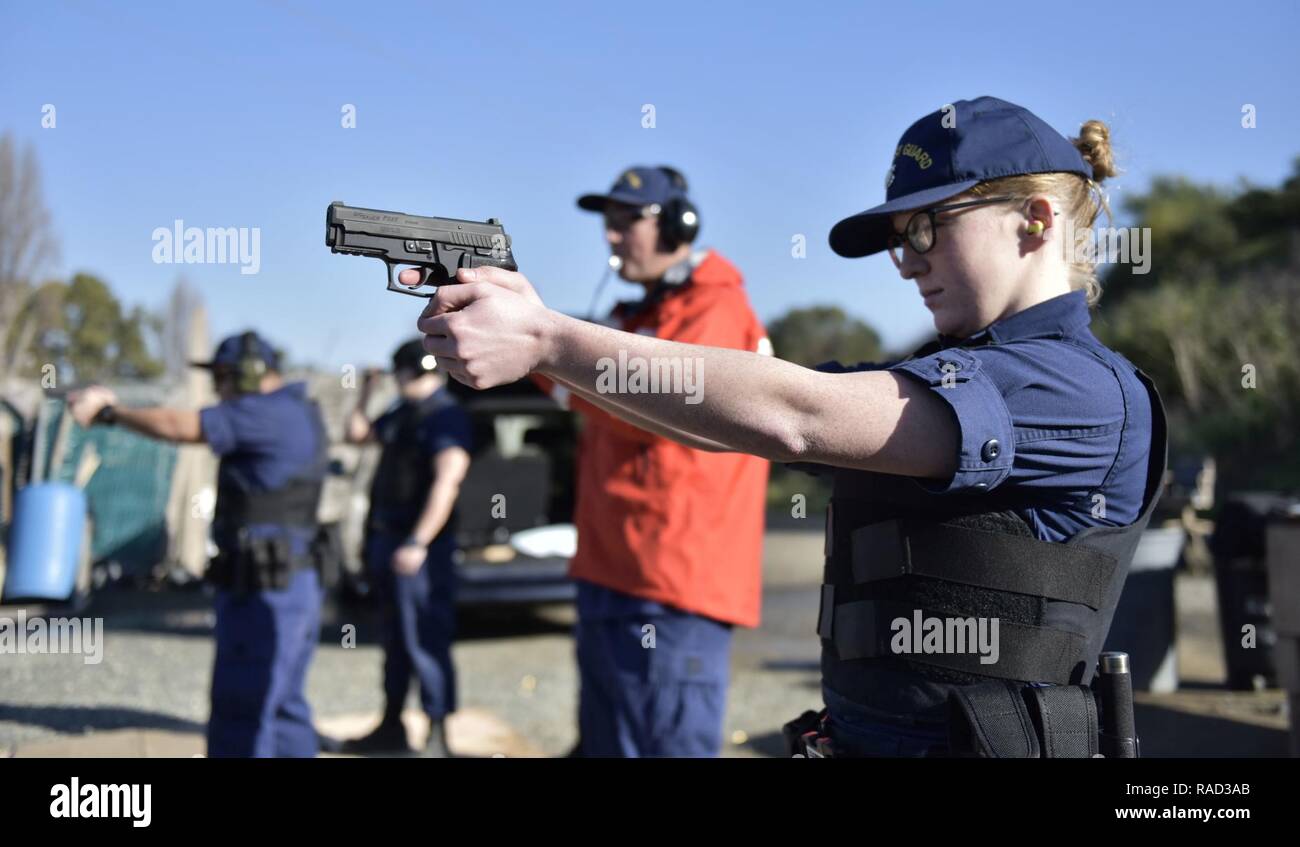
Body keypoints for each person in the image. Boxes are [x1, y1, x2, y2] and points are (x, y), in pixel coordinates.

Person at [406, 96, 1168, 757]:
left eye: (927, 229)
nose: (906, 262)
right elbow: (730, 425)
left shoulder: (1077, 389)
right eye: (900, 239)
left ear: (1034, 221)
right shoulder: (949, 375)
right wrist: (544, 341)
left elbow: (794, 417)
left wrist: (548, 338)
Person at [528, 165, 771, 757]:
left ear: (675, 227)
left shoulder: (713, 310)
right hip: (617, 575)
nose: (610, 237)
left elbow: (640, 399)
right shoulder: (643, 316)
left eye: (624, 223)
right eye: (606, 224)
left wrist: (537, 346)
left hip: (669, 588)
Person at [70, 331, 330, 757]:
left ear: (247, 374)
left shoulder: (263, 413)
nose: (218, 390)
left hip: (264, 585)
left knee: (242, 708)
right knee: (282, 704)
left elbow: (181, 426)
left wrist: (108, 413)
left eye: (223, 378)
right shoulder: (298, 409)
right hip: (292, 579)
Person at [340, 339, 471, 757]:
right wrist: (364, 394)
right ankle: (391, 724)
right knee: (395, 639)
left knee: (426, 639)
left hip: (419, 549)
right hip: (387, 540)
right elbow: (356, 434)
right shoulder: (401, 412)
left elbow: (447, 482)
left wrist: (418, 541)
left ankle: (436, 734)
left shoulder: (445, 415)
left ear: (407, 371)